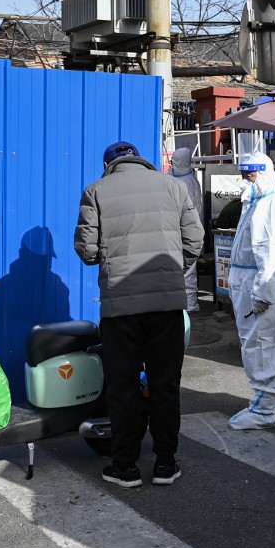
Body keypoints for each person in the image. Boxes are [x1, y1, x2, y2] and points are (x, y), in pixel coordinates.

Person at [74, 140, 204, 488]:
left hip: (121, 309)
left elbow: (87, 251)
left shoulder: (96, 191)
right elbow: (195, 242)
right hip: (167, 308)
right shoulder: (174, 187)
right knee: (165, 385)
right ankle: (165, 463)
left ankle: (126, 467)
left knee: (123, 387)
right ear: (139, 160)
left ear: (109, 165)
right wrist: (172, 275)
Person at [227, 152, 275, 430]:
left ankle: (264, 409)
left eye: (251, 175)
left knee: (261, 347)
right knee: (272, 344)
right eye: (244, 174)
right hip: (259, 284)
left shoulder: (269, 205)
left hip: (262, 286)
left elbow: (271, 253)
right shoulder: (257, 202)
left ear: (264, 174)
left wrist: (261, 292)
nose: (245, 180)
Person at [168, 147, 203, 312]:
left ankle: (190, 305)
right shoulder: (184, 178)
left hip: (186, 230)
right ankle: (186, 303)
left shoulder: (187, 182)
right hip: (185, 229)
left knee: (188, 270)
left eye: (173, 162)